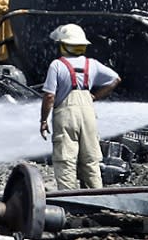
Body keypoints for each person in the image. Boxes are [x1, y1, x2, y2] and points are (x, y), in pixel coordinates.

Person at [39, 24, 121, 190]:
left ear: (63, 45)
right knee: (91, 159)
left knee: (66, 159)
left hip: (65, 115)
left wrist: (43, 120)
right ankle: (97, 197)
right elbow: (116, 79)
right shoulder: (92, 64)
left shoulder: (56, 65)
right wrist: (95, 96)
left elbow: (49, 96)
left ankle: (70, 199)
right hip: (88, 115)